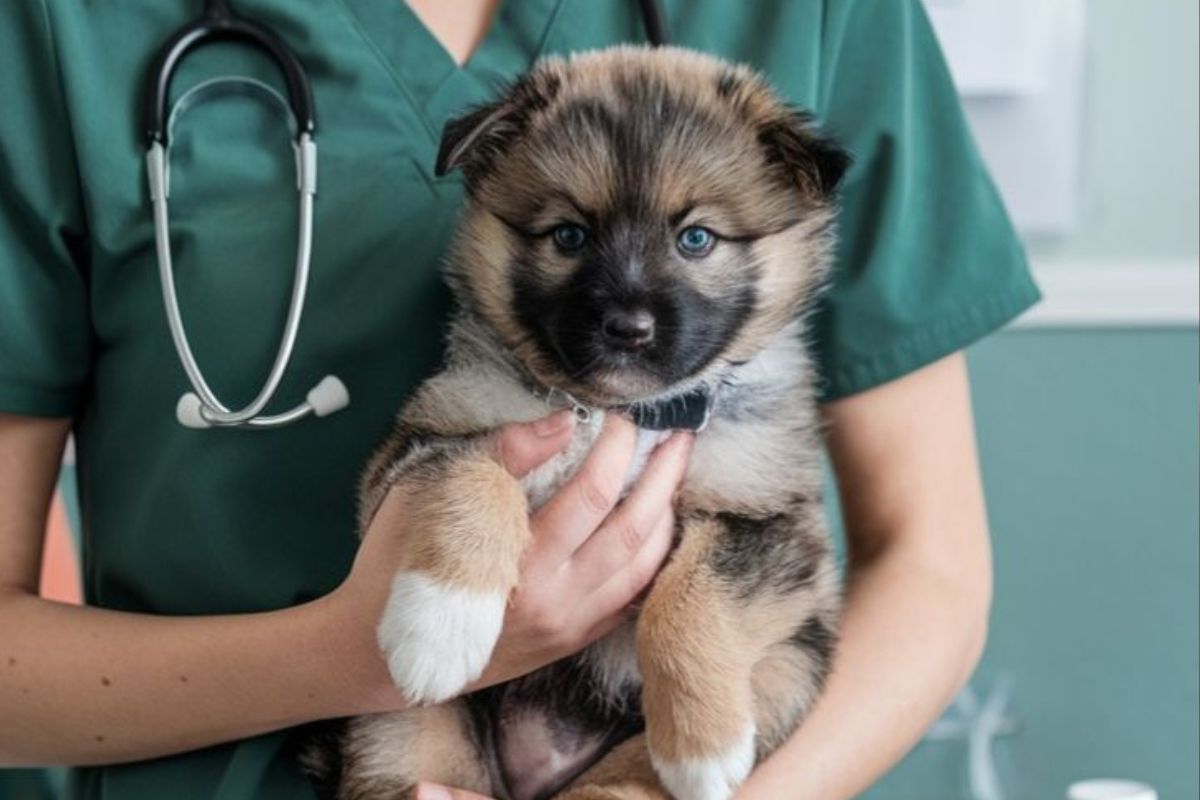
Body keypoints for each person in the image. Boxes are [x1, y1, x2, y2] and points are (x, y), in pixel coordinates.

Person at [0, 1, 1040, 798]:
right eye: (570, 237)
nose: (632, 311)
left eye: (694, 240)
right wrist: (341, 656)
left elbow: (931, 567)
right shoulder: (59, 28)